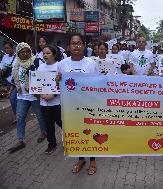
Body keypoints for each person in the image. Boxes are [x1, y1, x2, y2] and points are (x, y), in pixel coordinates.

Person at [57, 33, 99, 175]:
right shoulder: (62, 64)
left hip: (88, 105)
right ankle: (81, 159)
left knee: (90, 131)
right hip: (70, 108)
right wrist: (57, 80)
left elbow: (97, 83)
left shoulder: (91, 63)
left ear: (84, 45)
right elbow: (58, 85)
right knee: (78, 133)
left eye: (79, 43)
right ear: (69, 46)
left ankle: (92, 160)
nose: (76, 46)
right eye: (73, 43)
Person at [8, 42, 47, 153]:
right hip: (22, 96)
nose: (25, 54)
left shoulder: (37, 62)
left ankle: (44, 132)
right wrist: (12, 90)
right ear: (18, 53)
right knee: (20, 117)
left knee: (40, 116)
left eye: (27, 51)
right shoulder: (16, 64)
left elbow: (44, 76)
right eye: (22, 52)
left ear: (30, 51)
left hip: (34, 96)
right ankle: (20, 140)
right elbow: (15, 80)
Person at [38, 45, 63, 154]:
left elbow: (63, 84)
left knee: (62, 123)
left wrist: (53, 95)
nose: (45, 55)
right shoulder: (40, 68)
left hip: (58, 103)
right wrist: (42, 94)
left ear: (54, 54)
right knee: (48, 125)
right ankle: (51, 144)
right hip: (44, 103)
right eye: (44, 53)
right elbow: (36, 83)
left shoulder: (60, 67)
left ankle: (68, 141)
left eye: (48, 53)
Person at [0, 41, 17, 122]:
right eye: (5, 48)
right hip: (8, 82)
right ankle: (18, 114)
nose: (6, 50)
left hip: (16, 82)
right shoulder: (5, 56)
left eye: (8, 48)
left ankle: (17, 115)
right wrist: (2, 69)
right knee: (14, 98)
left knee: (13, 98)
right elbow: (1, 65)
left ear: (12, 48)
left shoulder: (18, 57)